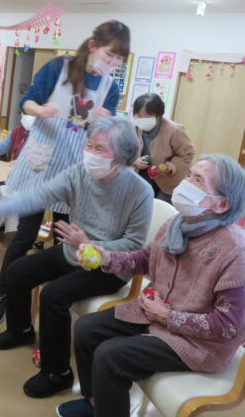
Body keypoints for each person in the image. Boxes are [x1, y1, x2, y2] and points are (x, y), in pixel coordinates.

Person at [0, 117, 154, 398]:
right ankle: (21, 330)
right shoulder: (79, 173)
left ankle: (57, 372)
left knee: (53, 296)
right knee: (17, 271)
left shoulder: (140, 190)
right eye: (89, 145)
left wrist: (91, 245)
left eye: (100, 149)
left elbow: (133, 245)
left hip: (109, 266)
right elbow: (40, 195)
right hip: (72, 251)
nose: (90, 154)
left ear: (122, 157)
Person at [57, 154, 245, 417]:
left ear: (222, 203)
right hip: (157, 312)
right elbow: (146, 259)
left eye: (198, 180)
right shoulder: (176, 225)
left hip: (197, 342)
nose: (186, 182)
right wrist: (107, 257)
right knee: (87, 329)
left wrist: (168, 316)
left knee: (111, 356)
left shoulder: (235, 252)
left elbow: (227, 326)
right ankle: (95, 403)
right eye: (189, 174)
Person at [0, 20, 131, 325]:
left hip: (76, 166)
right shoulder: (59, 67)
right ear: (93, 46)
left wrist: (105, 122)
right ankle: (2, 295)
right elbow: (27, 101)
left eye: (118, 59)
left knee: (65, 241)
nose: (112, 63)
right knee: (24, 237)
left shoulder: (110, 88)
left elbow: (106, 137)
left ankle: (53, 302)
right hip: (42, 160)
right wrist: (40, 110)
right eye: (109, 55)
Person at [132, 93, 194, 204]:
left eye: (147, 117)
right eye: (139, 116)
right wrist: (135, 161)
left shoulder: (174, 130)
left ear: (158, 116)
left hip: (168, 183)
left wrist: (169, 166)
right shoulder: (135, 128)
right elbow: (123, 151)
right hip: (142, 177)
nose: (142, 120)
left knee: (160, 208)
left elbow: (187, 154)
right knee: (140, 206)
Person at [0, 113, 36, 233]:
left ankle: (11, 231)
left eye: (30, 113)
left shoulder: (44, 134)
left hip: (31, 177)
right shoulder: (16, 132)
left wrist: (22, 163)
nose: (27, 116)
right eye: (24, 112)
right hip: (13, 174)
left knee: (11, 195)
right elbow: (1, 148)